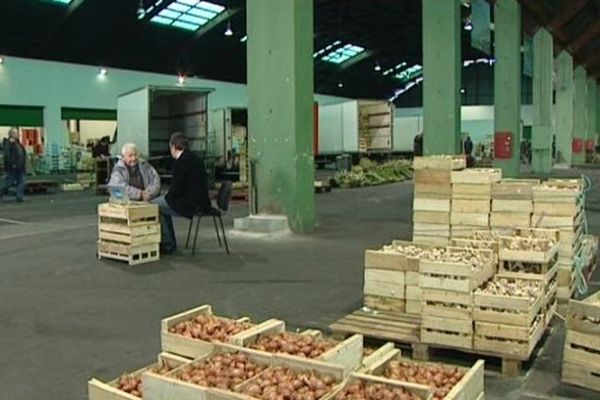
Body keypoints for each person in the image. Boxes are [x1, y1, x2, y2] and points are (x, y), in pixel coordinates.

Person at [152, 132, 211, 254]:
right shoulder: (196, 159)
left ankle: (168, 244)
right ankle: (169, 242)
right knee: (162, 204)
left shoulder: (180, 164)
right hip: (202, 202)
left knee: (154, 205)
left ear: (173, 146)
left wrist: (165, 197)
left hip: (189, 204)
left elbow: (175, 191)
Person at [1, 127, 26, 202]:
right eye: (16, 133)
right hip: (12, 167)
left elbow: (22, 153)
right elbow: (7, 155)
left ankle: (19, 197)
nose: (17, 134)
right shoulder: (8, 143)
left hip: (20, 167)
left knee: (21, 182)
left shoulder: (17, 143)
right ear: (11, 134)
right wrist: (12, 164)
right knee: (7, 183)